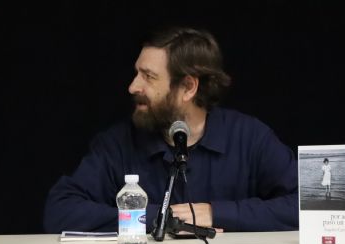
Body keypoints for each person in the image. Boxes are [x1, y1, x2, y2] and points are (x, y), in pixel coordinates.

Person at [44, 27, 298, 233]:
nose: (133, 87)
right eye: (136, 74)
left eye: (148, 76)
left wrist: (215, 213)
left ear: (188, 87)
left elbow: (309, 208)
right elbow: (60, 212)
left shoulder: (250, 138)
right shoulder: (118, 143)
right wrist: (163, 217)